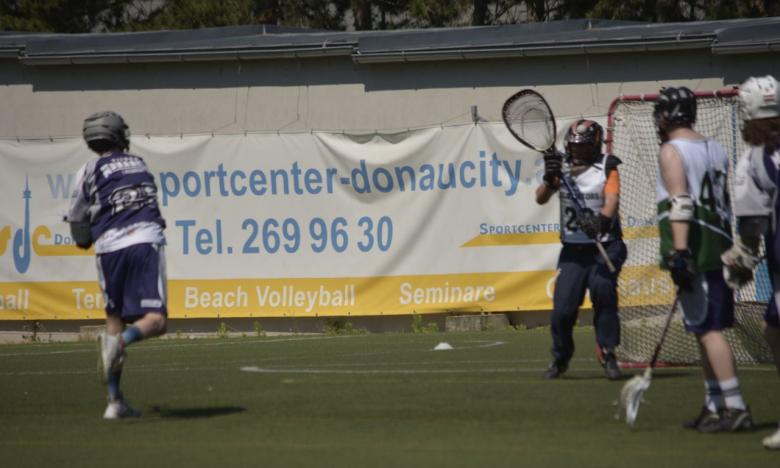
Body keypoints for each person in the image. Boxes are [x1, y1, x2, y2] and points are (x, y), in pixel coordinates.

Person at [654, 86, 753, 432]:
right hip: (719, 245)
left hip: (699, 249)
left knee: (710, 331)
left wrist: (681, 253)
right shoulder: (715, 148)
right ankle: (714, 405)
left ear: (669, 115)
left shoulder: (672, 150)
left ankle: (735, 407)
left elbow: (681, 202)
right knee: (702, 329)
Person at [67, 111, 168, 419]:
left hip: (108, 249)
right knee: (156, 321)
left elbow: (78, 223)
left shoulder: (86, 170)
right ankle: (120, 344)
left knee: (114, 320)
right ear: (119, 135)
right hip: (144, 240)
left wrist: (85, 238)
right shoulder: (139, 163)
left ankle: (114, 401)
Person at [536, 119, 627, 381]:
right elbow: (540, 198)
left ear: (595, 145)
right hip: (573, 252)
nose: (578, 151)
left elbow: (612, 199)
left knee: (603, 290)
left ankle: (608, 352)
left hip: (605, 246)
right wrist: (549, 181)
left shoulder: (607, 166)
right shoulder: (561, 166)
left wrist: (601, 221)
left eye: (584, 146)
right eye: (574, 146)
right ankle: (561, 356)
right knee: (563, 309)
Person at [720, 75, 780, 448]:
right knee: (772, 329)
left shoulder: (754, 160)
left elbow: (753, 227)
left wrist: (739, 262)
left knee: (774, 332)